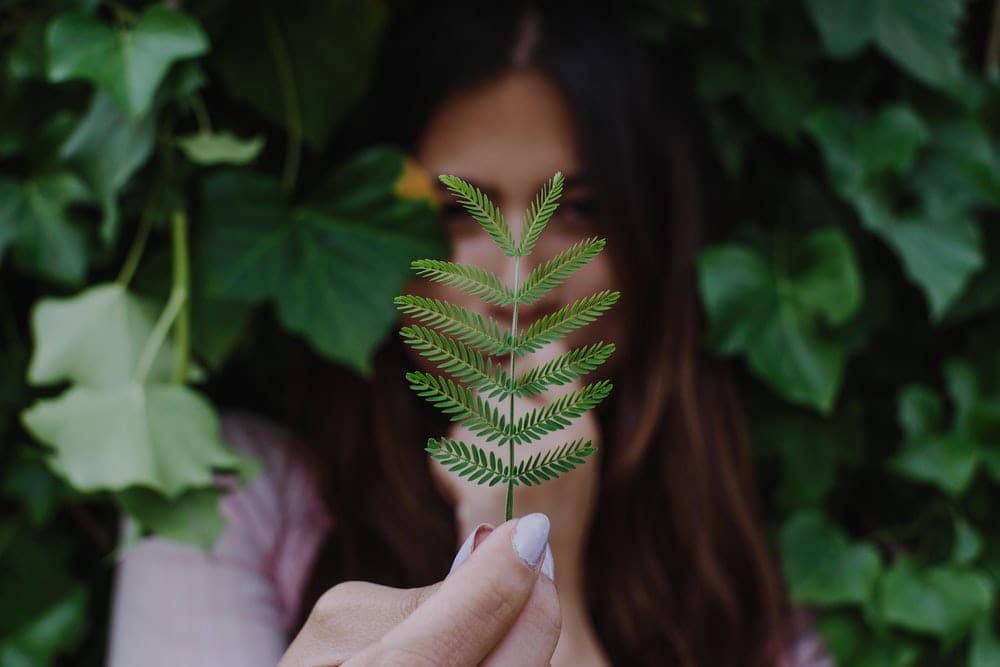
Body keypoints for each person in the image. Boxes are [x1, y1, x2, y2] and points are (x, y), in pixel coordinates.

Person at [108, 4, 833, 666]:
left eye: (578, 209)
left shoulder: (761, 582)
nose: (520, 282)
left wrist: (552, 581)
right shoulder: (225, 500)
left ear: (652, 239)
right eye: (458, 212)